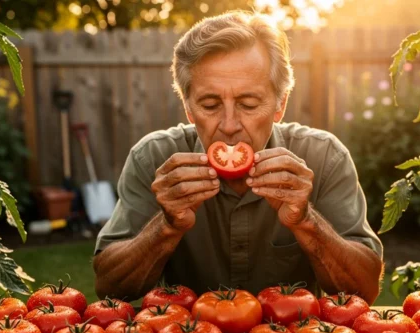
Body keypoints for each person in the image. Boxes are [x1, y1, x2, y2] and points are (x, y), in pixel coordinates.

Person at [93, 11, 383, 304]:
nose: (229, 125)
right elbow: (109, 287)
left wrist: (306, 221)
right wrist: (165, 226)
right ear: (188, 108)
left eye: (248, 104)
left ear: (279, 105)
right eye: (210, 104)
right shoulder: (153, 158)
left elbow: (366, 288)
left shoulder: (324, 157)